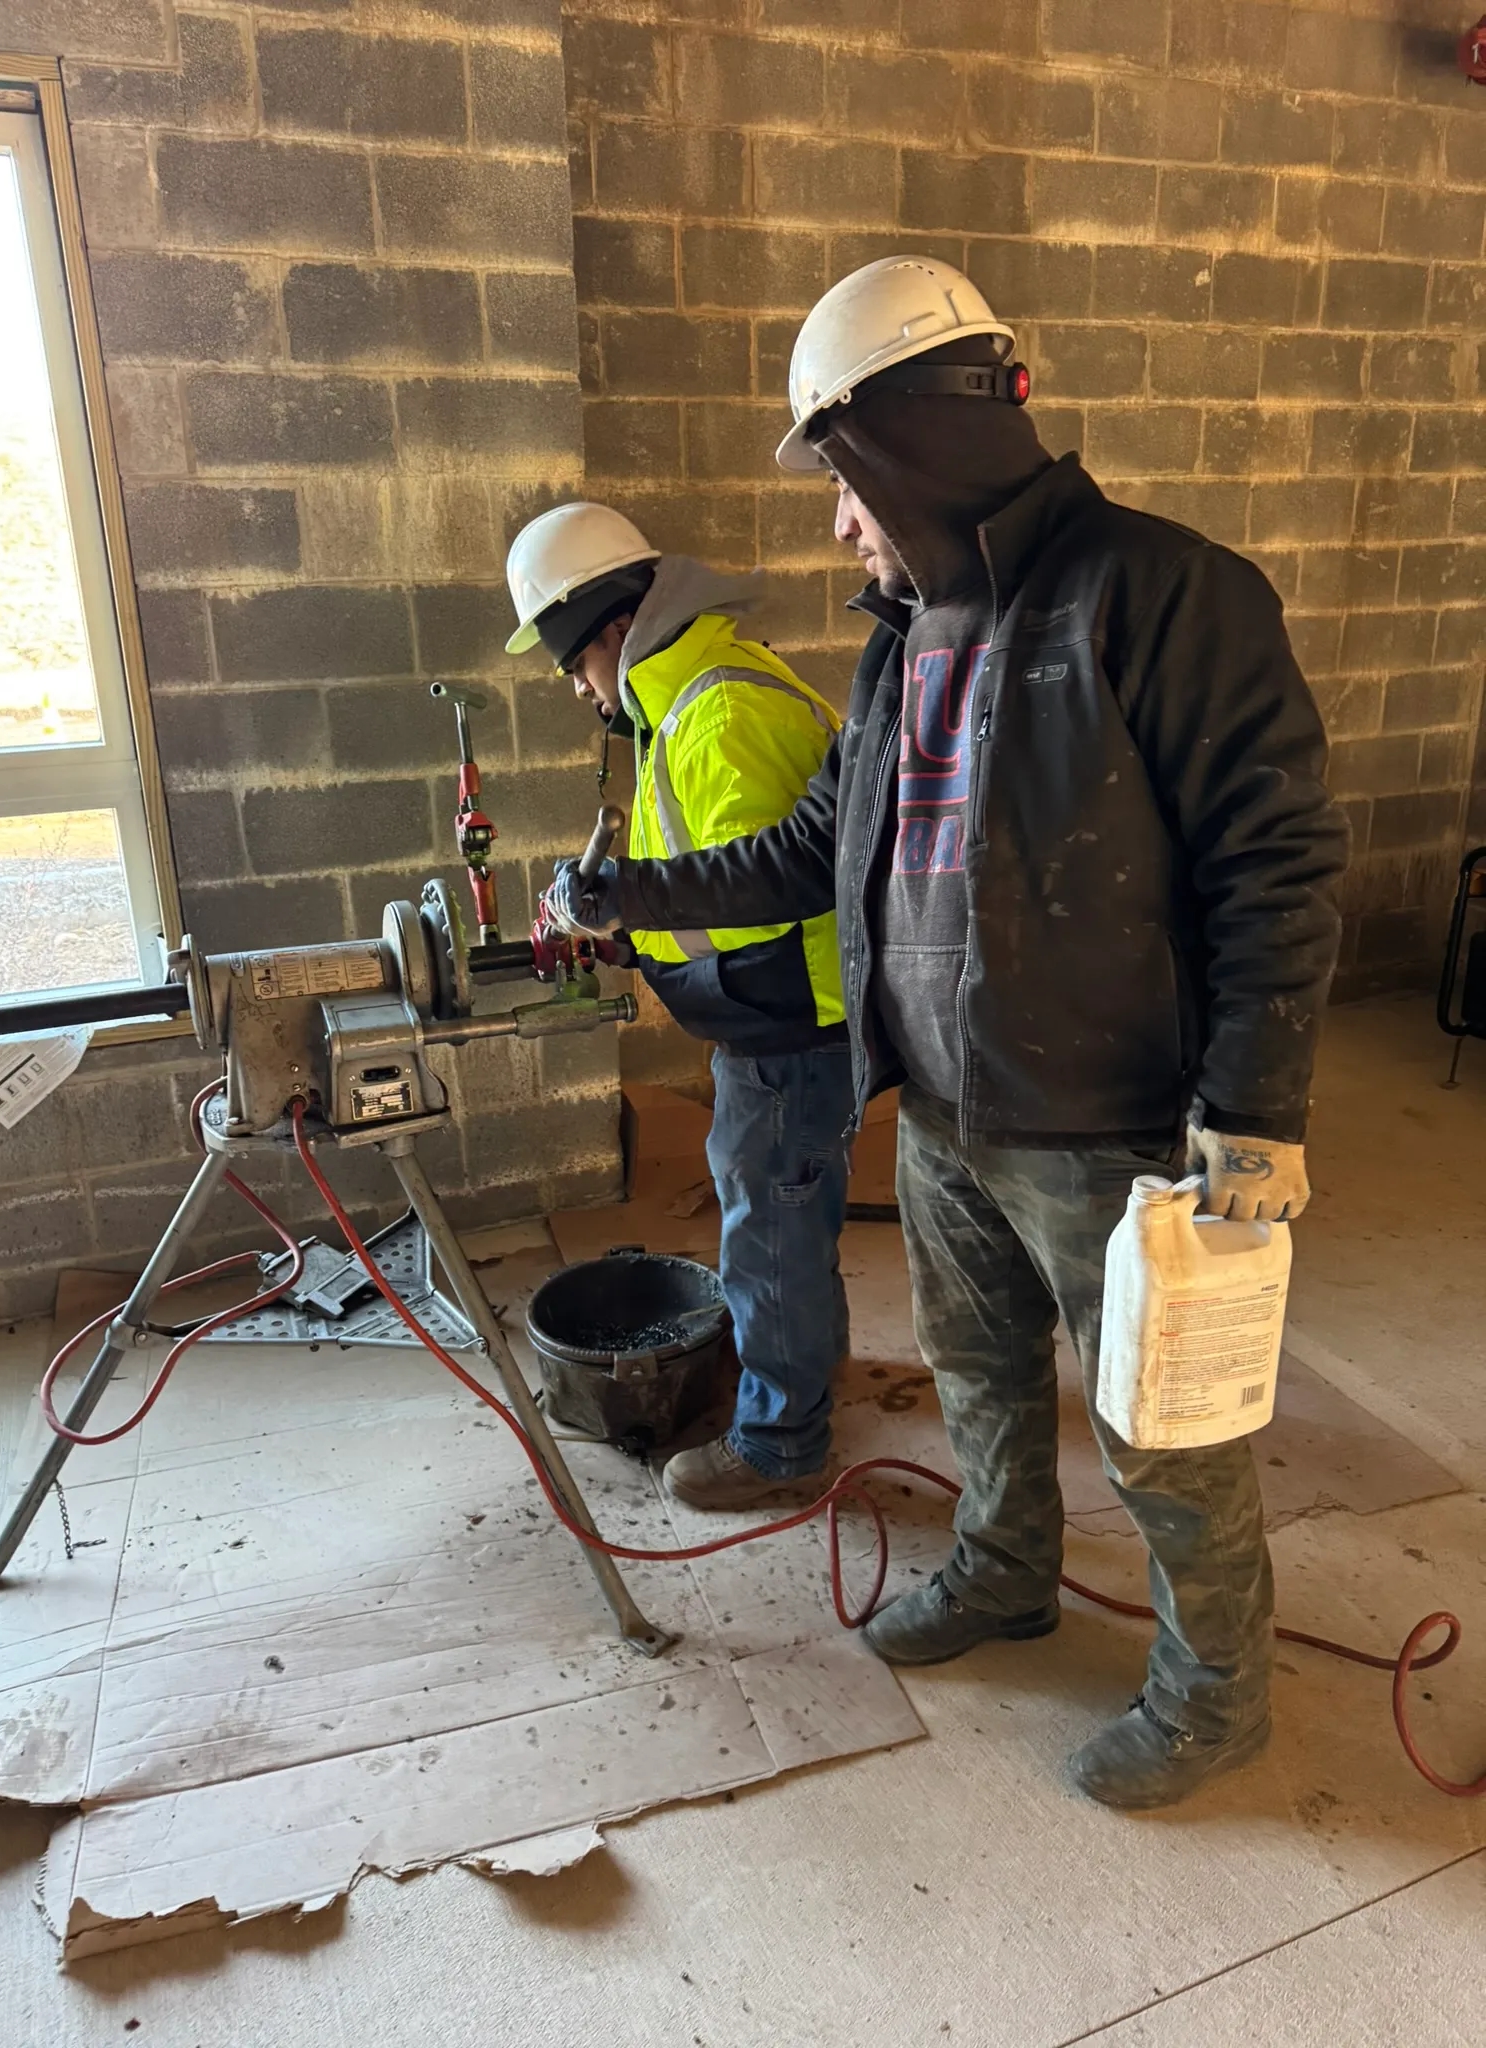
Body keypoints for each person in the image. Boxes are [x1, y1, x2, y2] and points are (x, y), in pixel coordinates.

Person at [543, 259, 1349, 1809]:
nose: (841, 522)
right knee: (980, 1379)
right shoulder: (904, 642)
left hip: (1113, 1126)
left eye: (842, 481)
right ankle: (1002, 1574)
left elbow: (1278, 862)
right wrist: (620, 890)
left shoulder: (1165, 594)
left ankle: (1214, 1691)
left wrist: (1255, 1108)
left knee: (1162, 1437)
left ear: (909, 439)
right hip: (941, 1113)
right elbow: (803, 850)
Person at [507, 502, 854, 1507]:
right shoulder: (690, 700)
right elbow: (715, 892)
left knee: (769, 1230)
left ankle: (782, 1442)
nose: (577, 687)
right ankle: (808, 1372)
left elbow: (769, 885)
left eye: (572, 662)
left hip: (789, 1029)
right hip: (773, 1016)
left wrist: (630, 902)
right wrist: (627, 932)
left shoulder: (720, 710)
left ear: (609, 627)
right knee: (790, 1217)